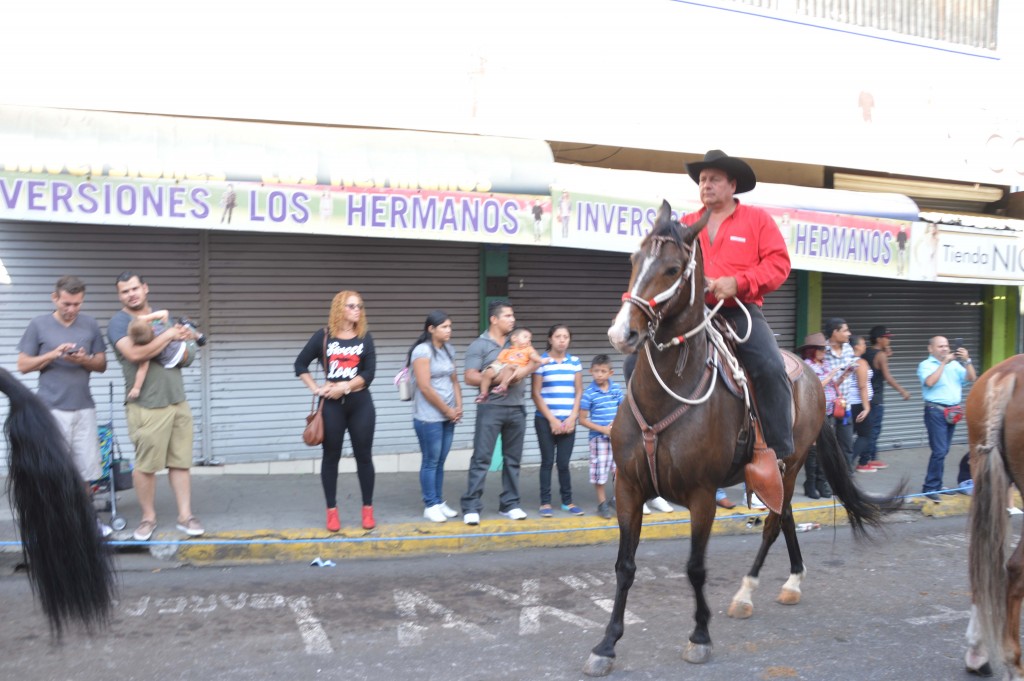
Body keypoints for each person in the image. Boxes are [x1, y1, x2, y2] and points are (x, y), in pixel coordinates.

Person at [682, 150, 793, 501]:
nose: (706, 185)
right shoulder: (687, 223)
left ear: (732, 185)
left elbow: (779, 265)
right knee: (637, 361)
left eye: (714, 179)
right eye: (702, 180)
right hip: (693, 314)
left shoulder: (757, 220)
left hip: (739, 312)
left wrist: (739, 283)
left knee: (770, 367)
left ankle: (775, 454)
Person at [107, 271, 204, 540]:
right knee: (146, 466)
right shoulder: (119, 323)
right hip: (147, 406)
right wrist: (170, 335)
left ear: (145, 288)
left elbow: (187, 355)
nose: (131, 294)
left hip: (177, 401)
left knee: (180, 463)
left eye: (135, 288)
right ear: (120, 295)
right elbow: (136, 353)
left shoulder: (165, 319)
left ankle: (185, 516)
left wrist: (182, 340)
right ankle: (148, 518)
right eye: (125, 291)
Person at [17, 275, 110, 536]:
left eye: (77, 304)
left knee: (85, 472)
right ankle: (52, 525)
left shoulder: (90, 324)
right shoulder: (38, 325)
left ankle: (86, 521)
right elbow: (22, 365)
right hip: (50, 410)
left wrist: (84, 359)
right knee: (53, 471)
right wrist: (52, 354)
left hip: (84, 408)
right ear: (54, 298)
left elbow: (101, 365)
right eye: (66, 304)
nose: (71, 310)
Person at [295, 290, 378, 531]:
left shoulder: (364, 337)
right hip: (331, 406)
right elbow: (300, 364)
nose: (357, 310)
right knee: (331, 457)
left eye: (359, 306)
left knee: (364, 457)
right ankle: (332, 511)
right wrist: (316, 389)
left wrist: (345, 387)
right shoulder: (324, 337)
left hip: (360, 403)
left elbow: (369, 374)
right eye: (352, 306)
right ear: (339, 308)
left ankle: (367, 509)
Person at [460, 300, 528, 525]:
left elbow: (531, 364)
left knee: (513, 460)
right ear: (494, 319)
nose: (513, 320)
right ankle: (471, 506)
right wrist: (498, 379)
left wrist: (522, 372)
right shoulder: (479, 345)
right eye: (508, 316)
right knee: (482, 458)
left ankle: (510, 504)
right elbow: (470, 376)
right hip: (491, 408)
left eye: (513, 316)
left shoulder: (517, 342)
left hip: (517, 408)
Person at [407, 310, 462, 523]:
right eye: (444, 327)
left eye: (450, 326)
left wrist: (458, 407)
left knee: (440, 461)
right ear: (431, 329)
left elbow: (454, 380)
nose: (449, 330)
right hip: (428, 417)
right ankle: (430, 505)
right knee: (430, 461)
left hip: (449, 415)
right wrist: (447, 410)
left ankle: (439, 501)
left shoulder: (449, 349)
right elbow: (425, 387)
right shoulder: (422, 351)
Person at [532, 324, 583, 517]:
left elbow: (579, 391)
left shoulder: (575, 362)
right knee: (547, 462)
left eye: (566, 337)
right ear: (550, 339)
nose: (562, 340)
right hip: (545, 421)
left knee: (563, 463)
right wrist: (552, 420)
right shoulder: (541, 362)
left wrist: (572, 417)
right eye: (558, 336)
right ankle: (545, 503)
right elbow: (535, 394)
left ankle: (567, 502)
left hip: (568, 421)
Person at [917, 336, 976, 502]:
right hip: (935, 411)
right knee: (940, 450)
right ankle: (929, 487)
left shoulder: (955, 365)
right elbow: (929, 382)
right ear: (931, 349)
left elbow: (971, 378)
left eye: (946, 346)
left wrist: (967, 360)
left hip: (952, 412)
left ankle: (937, 484)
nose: (944, 349)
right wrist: (943, 363)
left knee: (943, 450)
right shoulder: (925, 365)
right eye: (940, 346)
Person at [579, 355, 624, 519]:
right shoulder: (589, 393)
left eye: (603, 371)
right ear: (591, 371)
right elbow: (582, 420)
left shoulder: (616, 389)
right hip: (598, 439)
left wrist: (615, 425)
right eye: (596, 371)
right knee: (600, 472)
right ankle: (602, 503)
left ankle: (616, 499)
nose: (599, 374)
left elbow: (622, 410)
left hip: (616, 437)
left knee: (618, 470)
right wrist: (604, 430)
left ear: (610, 373)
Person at [796, 333, 839, 499]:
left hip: (828, 411)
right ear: (812, 350)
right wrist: (831, 375)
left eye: (825, 349)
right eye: (821, 349)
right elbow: (815, 386)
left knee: (825, 448)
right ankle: (810, 483)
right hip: (813, 412)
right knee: (813, 448)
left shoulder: (825, 364)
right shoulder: (807, 366)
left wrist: (841, 377)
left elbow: (831, 386)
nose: (824, 352)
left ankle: (821, 482)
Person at [862, 325, 911, 469]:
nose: (888, 341)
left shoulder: (866, 352)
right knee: (874, 430)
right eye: (886, 338)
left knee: (869, 429)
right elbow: (887, 377)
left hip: (865, 396)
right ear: (879, 339)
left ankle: (872, 457)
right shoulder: (881, 355)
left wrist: (885, 353)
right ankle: (866, 460)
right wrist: (902, 391)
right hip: (876, 398)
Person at [125, 310, 198, 401]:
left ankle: (189, 329)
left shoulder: (147, 349)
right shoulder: (157, 327)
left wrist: (136, 388)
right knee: (185, 330)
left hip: (174, 359)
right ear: (152, 328)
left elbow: (142, 371)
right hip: (185, 349)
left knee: (178, 329)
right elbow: (165, 313)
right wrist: (146, 318)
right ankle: (197, 335)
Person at [476, 327, 545, 403]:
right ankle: (483, 394)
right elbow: (499, 361)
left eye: (530, 339)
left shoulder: (528, 350)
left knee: (509, 367)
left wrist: (541, 360)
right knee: (488, 371)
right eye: (525, 337)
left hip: (516, 367)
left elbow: (534, 356)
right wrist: (493, 368)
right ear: (514, 338)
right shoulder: (507, 350)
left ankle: (503, 386)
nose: (528, 340)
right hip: (503, 366)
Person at [823, 317, 856, 471]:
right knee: (828, 446)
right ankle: (828, 479)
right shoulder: (822, 351)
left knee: (847, 445)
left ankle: (847, 478)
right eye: (845, 330)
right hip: (827, 407)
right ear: (834, 332)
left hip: (845, 406)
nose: (849, 334)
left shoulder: (849, 348)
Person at [848, 336, 875, 474]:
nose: (865, 346)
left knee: (848, 436)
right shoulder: (860, 362)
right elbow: (862, 385)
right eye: (863, 343)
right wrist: (866, 407)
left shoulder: (847, 360)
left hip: (849, 403)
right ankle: (847, 463)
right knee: (865, 435)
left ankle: (845, 462)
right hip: (858, 403)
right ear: (856, 346)